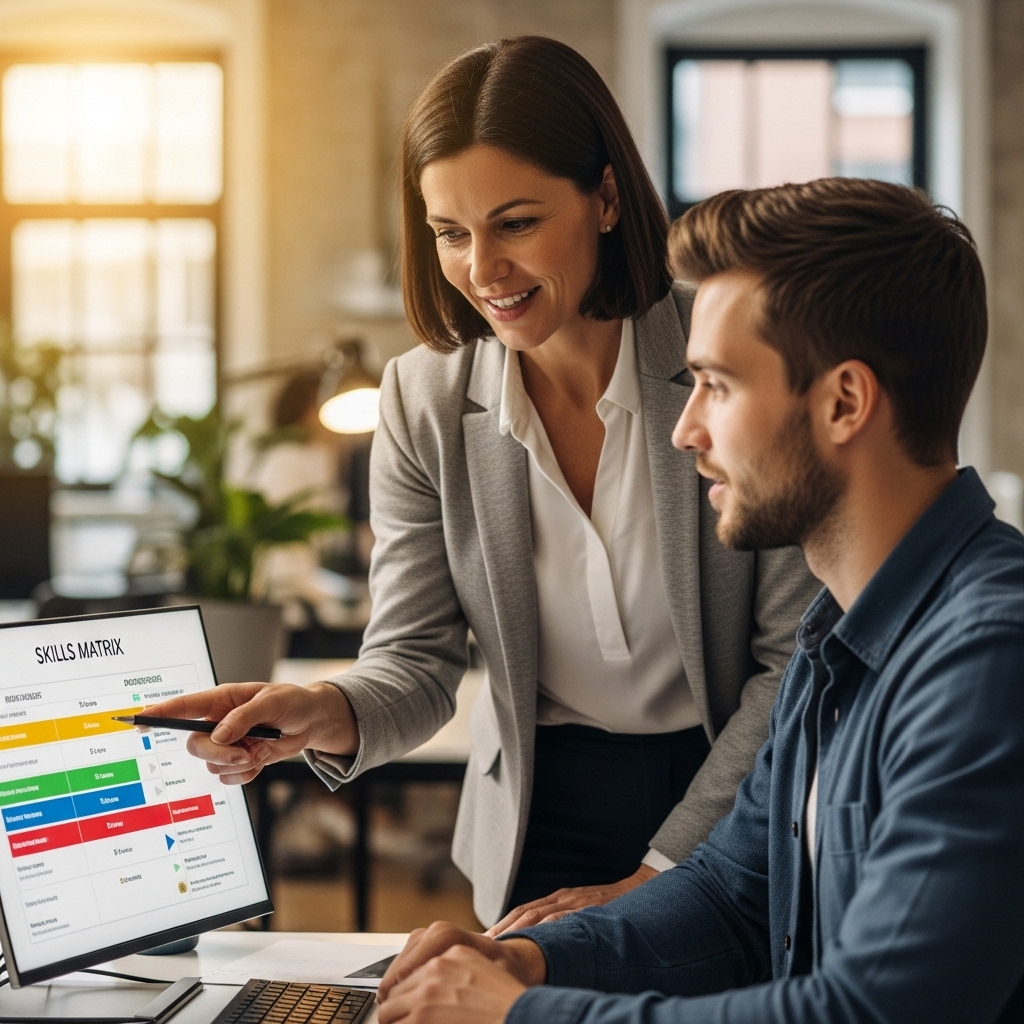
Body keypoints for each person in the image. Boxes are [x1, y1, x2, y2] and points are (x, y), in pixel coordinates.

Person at [145, 36, 816, 929]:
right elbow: (416, 662)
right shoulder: (422, 401)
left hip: (726, 793)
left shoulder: (724, 352)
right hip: (540, 809)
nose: (482, 270)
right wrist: (322, 709)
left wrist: (662, 874)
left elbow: (790, 664)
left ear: (606, 198)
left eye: (516, 222)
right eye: (450, 233)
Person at [372, 178, 1024, 1024]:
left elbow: (875, 1011)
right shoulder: (840, 631)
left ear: (844, 402)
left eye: (715, 384)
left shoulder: (986, 657)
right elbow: (731, 892)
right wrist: (526, 959)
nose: (686, 431)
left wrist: (517, 1014)